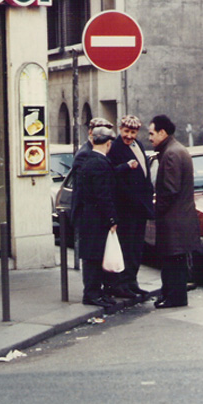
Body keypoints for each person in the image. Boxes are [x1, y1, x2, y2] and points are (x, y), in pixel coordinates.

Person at [148, 115, 199, 308]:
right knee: (172, 260)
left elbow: (170, 190)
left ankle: (174, 298)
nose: (150, 138)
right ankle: (169, 295)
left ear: (163, 132)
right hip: (178, 218)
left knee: (173, 260)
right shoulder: (174, 150)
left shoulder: (171, 154)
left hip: (174, 219)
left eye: (152, 133)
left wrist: (157, 211)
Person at [107, 115, 154, 299]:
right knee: (126, 247)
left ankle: (132, 282)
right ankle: (122, 284)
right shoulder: (115, 148)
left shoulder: (139, 146)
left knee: (136, 247)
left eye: (133, 132)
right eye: (126, 132)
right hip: (125, 208)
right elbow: (111, 176)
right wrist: (126, 167)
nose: (129, 136)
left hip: (139, 208)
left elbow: (145, 174)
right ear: (120, 129)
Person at [79, 126, 119, 309]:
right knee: (95, 257)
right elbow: (104, 195)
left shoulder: (88, 160)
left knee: (93, 256)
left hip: (89, 216)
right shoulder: (100, 163)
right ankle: (92, 294)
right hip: (97, 218)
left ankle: (94, 292)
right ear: (108, 144)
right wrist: (112, 219)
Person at [70, 117, 114, 231]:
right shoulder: (86, 154)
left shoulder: (101, 153)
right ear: (90, 132)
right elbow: (90, 188)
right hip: (89, 216)